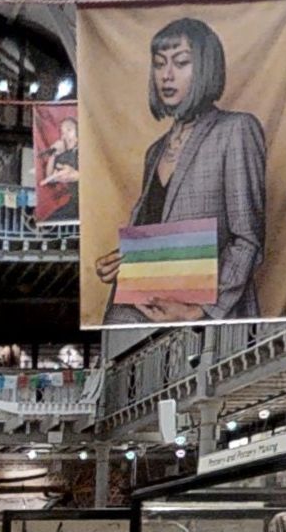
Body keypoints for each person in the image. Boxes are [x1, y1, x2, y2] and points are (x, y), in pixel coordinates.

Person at [93, 17, 268, 323]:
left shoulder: (236, 129)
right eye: (159, 64)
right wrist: (121, 262)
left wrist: (199, 312)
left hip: (203, 326)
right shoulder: (155, 151)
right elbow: (158, 227)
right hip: (137, 313)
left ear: (205, 67)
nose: (167, 75)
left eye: (181, 62)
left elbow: (247, 240)